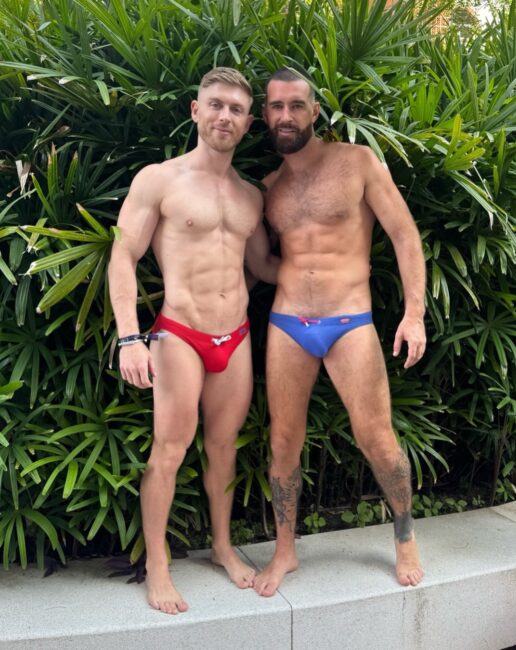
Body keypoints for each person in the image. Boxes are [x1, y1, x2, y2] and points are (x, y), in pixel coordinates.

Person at [108, 67, 279, 615]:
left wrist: (329, 271)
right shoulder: (159, 179)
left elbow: (262, 267)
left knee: (224, 449)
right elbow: (123, 255)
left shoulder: (251, 197)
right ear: (196, 110)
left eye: (236, 109)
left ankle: (222, 547)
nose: (225, 116)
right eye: (216, 104)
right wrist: (129, 338)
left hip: (236, 335)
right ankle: (158, 565)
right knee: (170, 450)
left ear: (248, 124)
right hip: (178, 332)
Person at [253, 68, 426, 598]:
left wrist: (414, 313)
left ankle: (404, 535)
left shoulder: (357, 162)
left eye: (296, 105)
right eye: (276, 106)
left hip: (350, 320)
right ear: (266, 115)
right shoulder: (268, 188)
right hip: (287, 323)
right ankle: (285, 549)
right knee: (283, 442)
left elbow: (404, 234)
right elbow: (263, 263)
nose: (286, 115)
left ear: (314, 111)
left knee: (377, 437)